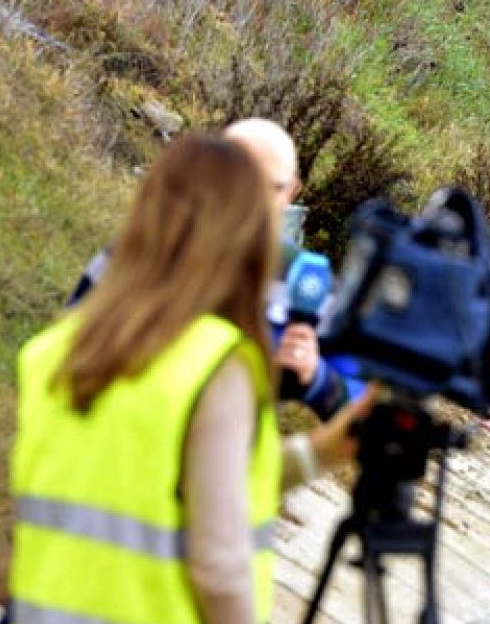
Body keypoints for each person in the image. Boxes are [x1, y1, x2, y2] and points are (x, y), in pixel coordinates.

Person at [0, 135, 375, 624]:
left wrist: (317, 442)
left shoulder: (52, 353)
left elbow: (151, 486)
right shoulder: (214, 365)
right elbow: (220, 564)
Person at [67, 118, 357, 420]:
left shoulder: (311, 286)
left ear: (292, 192)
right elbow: (67, 348)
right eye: (236, 179)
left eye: (268, 187)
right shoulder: (142, 254)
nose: (250, 200)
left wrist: (315, 379)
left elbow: (364, 412)